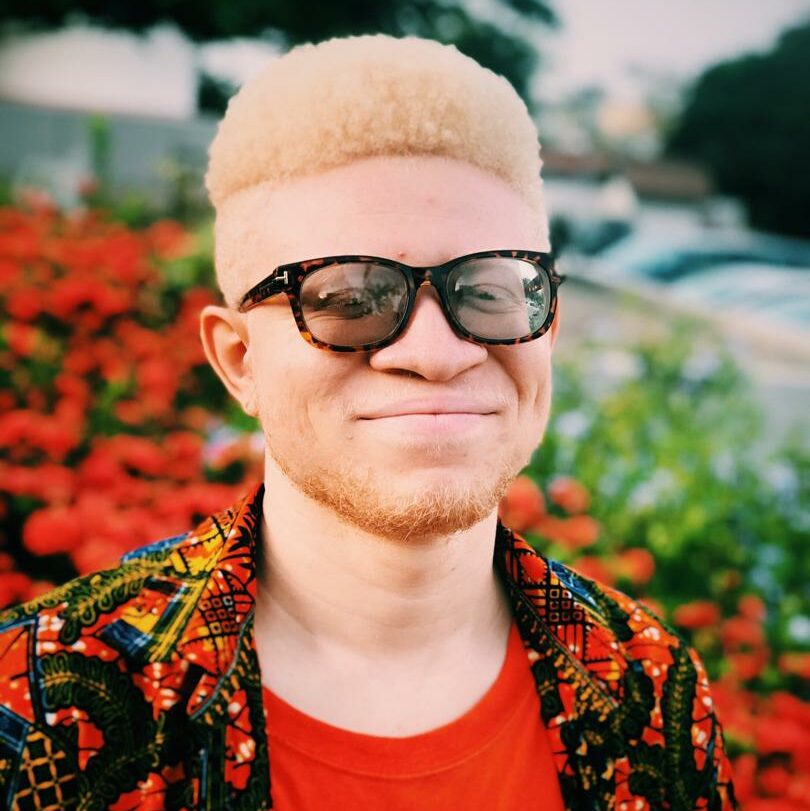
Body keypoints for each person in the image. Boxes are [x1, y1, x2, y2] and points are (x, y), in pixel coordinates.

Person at [0, 33, 737, 810]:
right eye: (348, 298)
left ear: (545, 330)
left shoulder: (649, 688)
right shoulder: (43, 703)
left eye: (488, 289)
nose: (437, 352)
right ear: (239, 359)